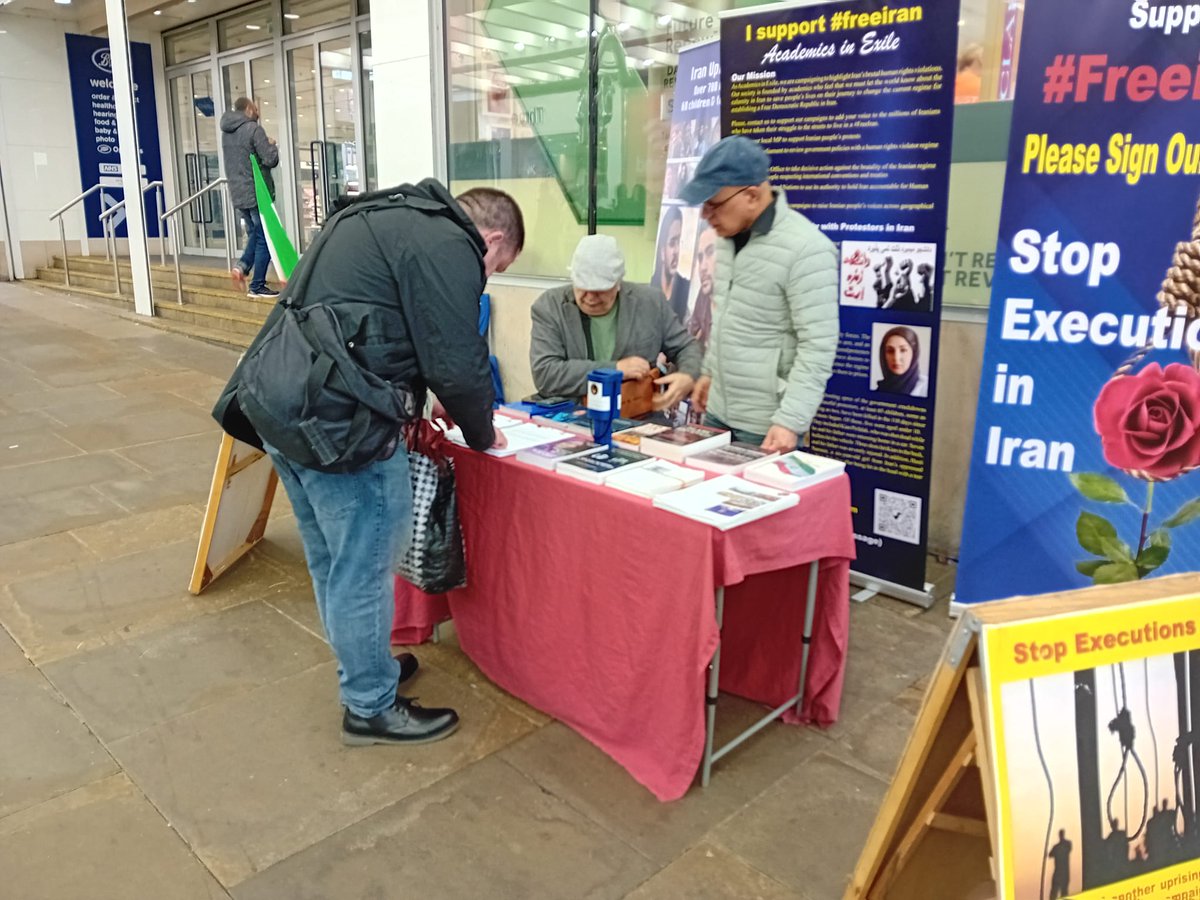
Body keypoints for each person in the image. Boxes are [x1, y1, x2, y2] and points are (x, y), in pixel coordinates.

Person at [213, 182, 524, 747]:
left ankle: (365, 669)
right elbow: (456, 359)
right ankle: (369, 707)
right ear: (493, 239)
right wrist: (482, 434)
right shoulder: (449, 244)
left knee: (332, 561)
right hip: (340, 427)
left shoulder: (382, 215)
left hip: (278, 403)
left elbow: (375, 319)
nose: (488, 276)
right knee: (361, 569)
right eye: (496, 267)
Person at [681, 136, 838, 451]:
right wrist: (710, 372)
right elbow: (723, 316)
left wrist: (790, 421)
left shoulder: (808, 249)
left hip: (765, 425)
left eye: (713, 204)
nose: (705, 215)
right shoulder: (727, 239)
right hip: (717, 411)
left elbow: (818, 346)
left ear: (752, 195)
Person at [529, 234, 701, 410]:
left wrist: (688, 375)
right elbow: (546, 374)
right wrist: (615, 369)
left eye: (599, 290)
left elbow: (686, 347)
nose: (589, 297)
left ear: (618, 283)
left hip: (633, 413)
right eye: (582, 287)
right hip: (571, 414)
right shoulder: (549, 307)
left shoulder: (650, 303)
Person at [220, 97, 280, 298]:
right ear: (248, 109)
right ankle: (257, 285)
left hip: (238, 194)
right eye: (255, 108)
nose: (258, 112)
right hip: (257, 194)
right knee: (265, 238)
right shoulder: (254, 129)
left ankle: (242, 266)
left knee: (255, 233)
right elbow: (270, 159)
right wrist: (271, 144)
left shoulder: (227, 133)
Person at [651, 205, 690, 322]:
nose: (677, 251)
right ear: (662, 251)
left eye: (679, 242)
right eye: (672, 243)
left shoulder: (686, 287)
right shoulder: (648, 290)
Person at [875, 326, 928, 397]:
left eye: (903, 350)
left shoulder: (926, 388)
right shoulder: (880, 390)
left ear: (914, 353)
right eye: (890, 351)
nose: (896, 358)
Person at [687, 224, 716, 349]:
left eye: (710, 253)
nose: (702, 267)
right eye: (700, 258)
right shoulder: (703, 297)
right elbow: (691, 343)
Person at [1048, 830, 1072, 900]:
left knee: (1063, 892)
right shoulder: (1058, 846)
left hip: (1063, 872)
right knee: (1055, 892)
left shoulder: (1065, 845)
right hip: (1060, 872)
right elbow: (1050, 855)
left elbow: (1050, 854)